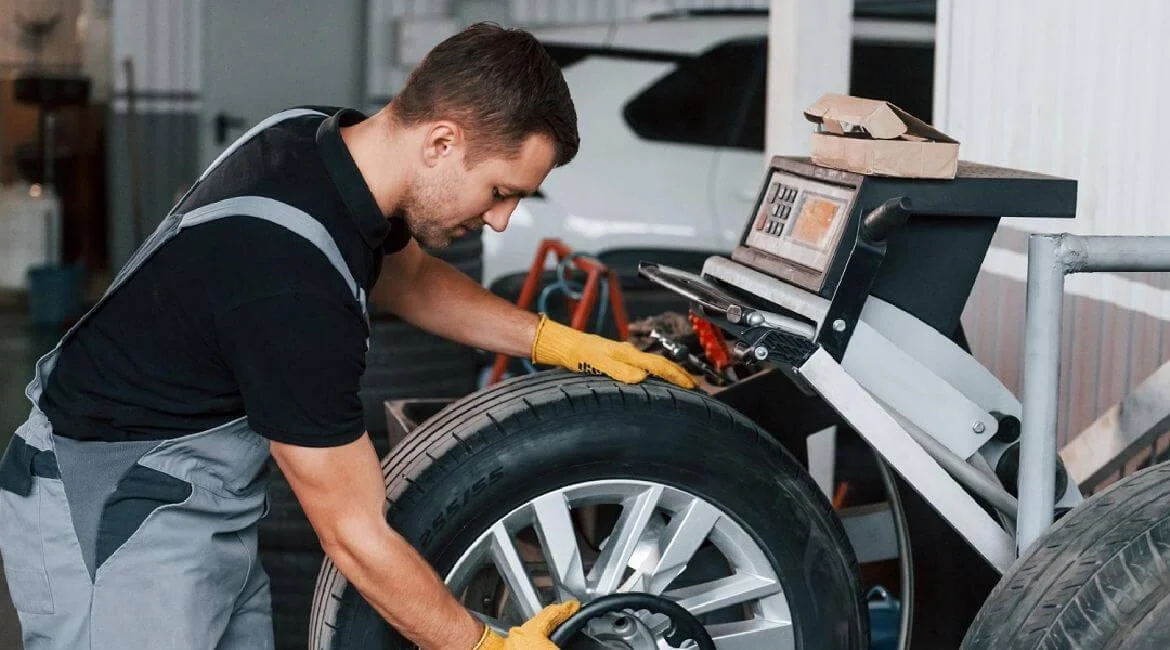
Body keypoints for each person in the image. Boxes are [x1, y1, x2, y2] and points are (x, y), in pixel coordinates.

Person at [0, 22, 695, 650]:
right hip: (112, 515)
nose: (503, 220)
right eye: (500, 191)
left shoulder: (310, 137)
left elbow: (411, 282)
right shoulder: (290, 287)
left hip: (198, 505)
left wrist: (558, 341)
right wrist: (487, 647)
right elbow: (355, 538)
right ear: (443, 141)